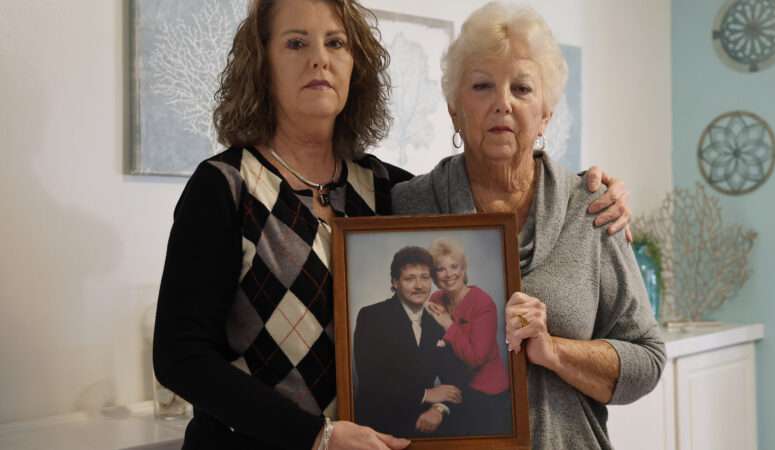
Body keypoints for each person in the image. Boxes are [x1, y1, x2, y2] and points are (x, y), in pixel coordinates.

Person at [153, 0, 635, 448]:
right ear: (263, 64)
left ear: (354, 66)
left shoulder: (386, 190)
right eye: (296, 43)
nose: (319, 59)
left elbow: (484, 188)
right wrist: (316, 437)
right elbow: (180, 358)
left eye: (336, 43)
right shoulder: (224, 187)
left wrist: (594, 190)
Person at [392, 3, 666, 449]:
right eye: (482, 86)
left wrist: (554, 351)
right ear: (454, 110)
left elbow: (648, 359)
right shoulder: (410, 205)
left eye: (521, 88)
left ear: (545, 115)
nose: (502, 102)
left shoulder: (592, 208)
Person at [353, 246, 466, 438]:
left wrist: (438, 409)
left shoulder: (439, 321)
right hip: (380, 425)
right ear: (395, 282)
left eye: (424, 277)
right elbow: (371, 381)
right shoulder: (371, 316)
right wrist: (425, 394)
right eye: (409, 278)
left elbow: (456, 377)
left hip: (427, 421)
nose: (419, 285)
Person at [425, 238, 511, 436]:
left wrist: (448, 324)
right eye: (441, 269)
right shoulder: (435, 300)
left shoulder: (483, 303)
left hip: (486, 394)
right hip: (454, 390)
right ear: (434, 275)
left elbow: (475, 358)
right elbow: (429, 345)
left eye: (454, 266)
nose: (449, 275)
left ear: (463, 269)